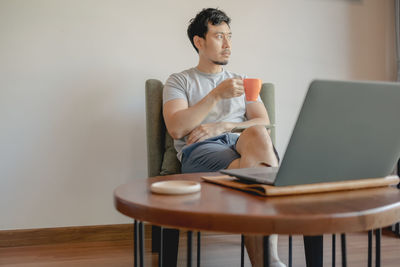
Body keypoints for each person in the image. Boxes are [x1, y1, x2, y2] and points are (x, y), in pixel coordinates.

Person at [163, 7, 284, 267]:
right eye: (219, 36)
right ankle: (269, 261)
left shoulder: (242, 80)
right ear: (199, 41)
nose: (228, 44)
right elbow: (176, 128)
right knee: (263, 172)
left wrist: (223, 125)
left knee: (260, 135)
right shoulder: (179, 81)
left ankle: (267, 260)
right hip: (200, 151)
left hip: (240, 145)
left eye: (229, 36)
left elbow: (263, 121)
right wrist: (216, 94)